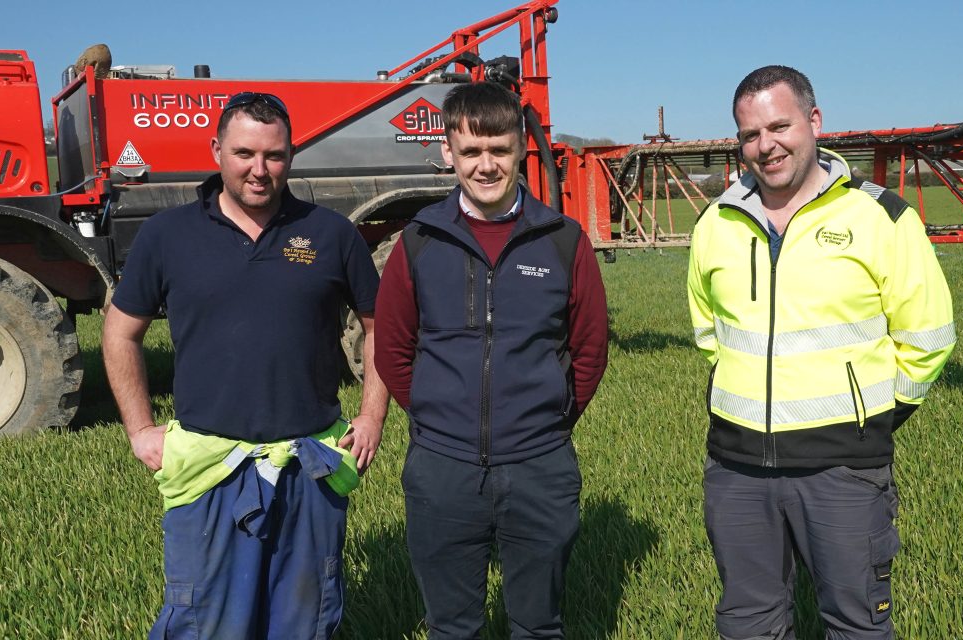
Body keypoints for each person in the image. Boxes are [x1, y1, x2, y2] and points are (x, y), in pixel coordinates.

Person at [101, 92, 389, 639]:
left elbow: (380, 329)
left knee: (303, 620)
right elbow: (120, 330)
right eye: (244, 153)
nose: (260, 170)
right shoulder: (169, 234)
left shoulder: (331, 234)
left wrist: (372, 415)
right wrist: (140, 427)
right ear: (216, 151)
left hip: (311, 464)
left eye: (274, 156)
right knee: (205, 621)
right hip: (209, 467)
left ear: (291, 155)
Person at [687, 65, 957, 639]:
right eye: (750, 135)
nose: (766, 145)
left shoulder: (880, 217)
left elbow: (928, 336)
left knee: (855, 625)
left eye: (779, 126)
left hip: (843, 469)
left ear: (814, 121)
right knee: (746, 624)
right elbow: (710, 333)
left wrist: (874, 416)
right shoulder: (716, 223)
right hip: (736, 470)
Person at [374, 82, 609, 639]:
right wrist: (439, 414)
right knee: (452, 627)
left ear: (519, 151)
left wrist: (545, 418)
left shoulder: (562, 240)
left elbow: (589, 350)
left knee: (537, 625)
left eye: (499, 150)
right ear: (448, 152)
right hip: (442, 468)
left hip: (540, 466)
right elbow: (393, 350)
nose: (486, 166)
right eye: (472, 151)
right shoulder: (420, 241)